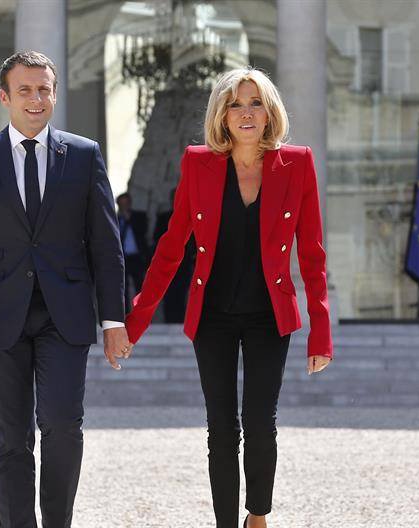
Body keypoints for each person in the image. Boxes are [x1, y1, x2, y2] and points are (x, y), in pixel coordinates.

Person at [125, 67, 333, 528]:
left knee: (260, 423)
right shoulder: (198, 163)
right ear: (221, 114)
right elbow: (171, 248)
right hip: (213, 316)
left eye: (255, 103)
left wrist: (320, 332)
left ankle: (257, 515)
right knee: (221, 428)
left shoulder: (297, 163)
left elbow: (312, 253)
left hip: (269, 316)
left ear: (269, 112)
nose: (246, 113)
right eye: (235, 104)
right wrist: (135, 322)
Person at [0, 50, 132, 528]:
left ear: (55, 95)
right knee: (10, 438)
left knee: (63, 425)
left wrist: (113, 320)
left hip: (65, 315)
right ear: (4, 97)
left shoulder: (83, 155)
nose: (35, 98)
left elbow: (106, 245)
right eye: (24, 89)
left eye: (44, 89)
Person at [152, 187, 195, 323]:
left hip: (184, 261)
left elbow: (195, 240)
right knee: (167, 291)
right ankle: (169, 320)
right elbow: (156, 238)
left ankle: (179, 321)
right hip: (167, 261)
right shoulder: (163, 217)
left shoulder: (191, 216)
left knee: (182, 292)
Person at [115, 192, 150, 310]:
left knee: (139, 285)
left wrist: (129, 219)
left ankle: (140, 311)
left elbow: (143, 231)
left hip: (137, 257)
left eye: (126, 204)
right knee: (123, 288)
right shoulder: (115, 220)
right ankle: (125, 313)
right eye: (122, 204)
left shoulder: (139, 217)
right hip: (123, 258)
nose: (124, 206)